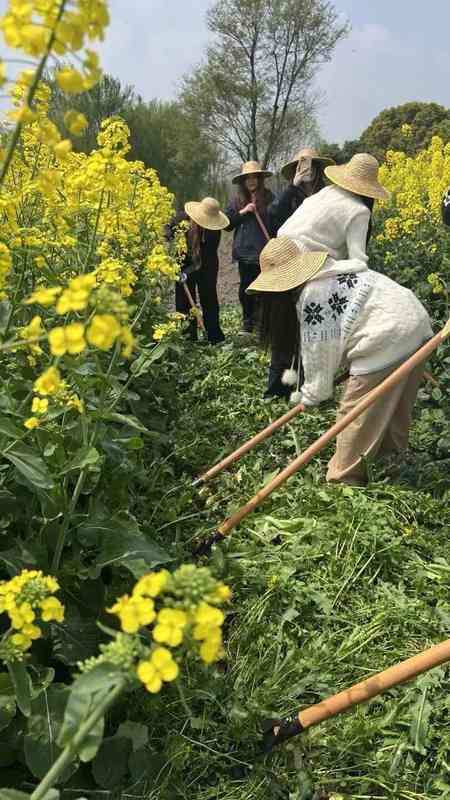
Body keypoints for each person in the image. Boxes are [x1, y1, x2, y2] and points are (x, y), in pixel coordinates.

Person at [250, 153, 433, 485]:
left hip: (388, 332)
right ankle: (393, 467)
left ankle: (343, 485)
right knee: (394, 410)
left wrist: (312, 394)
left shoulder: (313, 295)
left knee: (355, 415)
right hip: (417, 321)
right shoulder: (329, 270)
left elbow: (320, 358)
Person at [264, 148, 335, 399]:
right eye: (300, 167)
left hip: (319, 267)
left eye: (310, 167)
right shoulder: (290, 196)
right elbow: (273, 218)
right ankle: (277, 389)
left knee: (313, 328)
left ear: (318, 170)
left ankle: (308, 386)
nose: (306, 171)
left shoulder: (328, 195)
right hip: (288, 266)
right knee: (284, 326)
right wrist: (293, 187)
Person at [225, 161, 274, 334]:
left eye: (255, 178)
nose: (251, 181)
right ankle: (247, 323)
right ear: (243, 182)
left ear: (260, 179)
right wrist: (244, 211)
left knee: (265, 289)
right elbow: (227, 224)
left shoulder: (270, 198)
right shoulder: (237, 201)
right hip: (244, 252)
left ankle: (263, 323)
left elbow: (276, 222)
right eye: (248, 178)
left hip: (265, 252)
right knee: (246, 288)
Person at [175, 197, 229, 346]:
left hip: (206, 264)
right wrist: (179, 270)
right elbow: (168, 233)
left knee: (209, 297)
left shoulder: (214, 232)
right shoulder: (181, 221)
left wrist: (189, 273)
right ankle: (188, 337)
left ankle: (214, 336)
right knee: (183, 300)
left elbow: (204, 258)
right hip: (182, 261)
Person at [268, 147, 335, 233]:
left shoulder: (325, 192)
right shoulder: (291, 194)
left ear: (317, 169)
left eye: (312, 166)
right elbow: (274, 212)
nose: (308, 170)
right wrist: (293, 186)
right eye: (304, 167)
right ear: (296, 170)